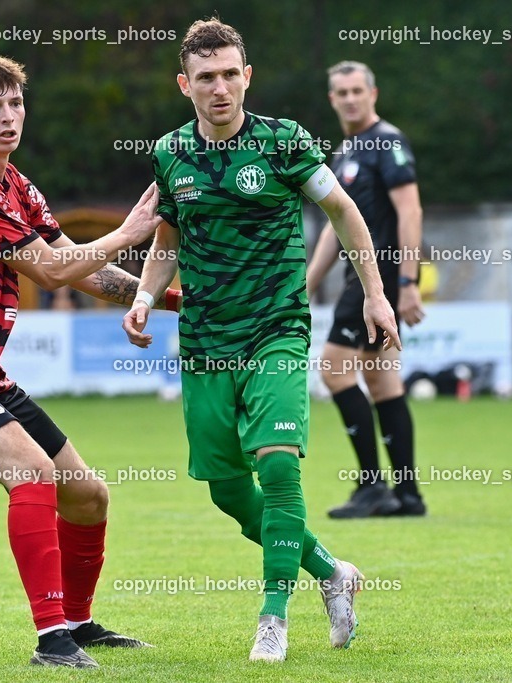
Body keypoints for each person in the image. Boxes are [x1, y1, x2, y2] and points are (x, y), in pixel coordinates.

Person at [124, 20, 401, 662]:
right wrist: (143, 296)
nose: (219, 88)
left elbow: (346, 213)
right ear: (184, 85)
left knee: (278, 462)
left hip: (277, 324)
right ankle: (332, 572)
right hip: (205, 338)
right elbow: (169, 238)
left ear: (247, 76)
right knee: (226, 488)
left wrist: (379, 293)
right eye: (205, 78)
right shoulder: (170, 152)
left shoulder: (283, 142)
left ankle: (273, 617)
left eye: (229, 74)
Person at [0, 54, 180, 669]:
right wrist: (130, 231)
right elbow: (50, 271)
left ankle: (77, 623)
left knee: (88, 496)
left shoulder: (16, 185)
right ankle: (52, 640)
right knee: (31, 471)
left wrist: (167, 298)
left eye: (15, 103)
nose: (7, 116)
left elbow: (73, 264)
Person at [306, 61, 427, 519]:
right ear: (332, 99)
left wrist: (409, 283)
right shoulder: (344, 152)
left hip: (380, 278)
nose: (351, 98)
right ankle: (408, 495)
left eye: (358, 90)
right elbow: (332, 230)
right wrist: (306, 286)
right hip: (363, 279)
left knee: (334, 371)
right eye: (342, 92)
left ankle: (373, 487)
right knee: (381, 380)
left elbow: (410, 212)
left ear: (373, 94)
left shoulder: (388, 143)